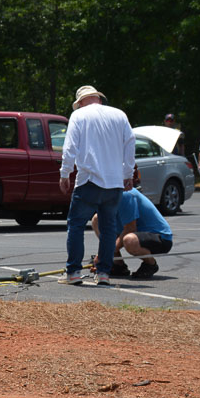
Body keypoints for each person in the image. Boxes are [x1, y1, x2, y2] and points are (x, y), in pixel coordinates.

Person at [58, 85, 135, 286]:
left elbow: (69, 147)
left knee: (76, 225)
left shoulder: (78, 115)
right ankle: (104, 274)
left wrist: (65, 174)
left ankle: (73, 272)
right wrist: (127, 174)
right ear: (98, 99)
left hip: (89, 180)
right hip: (114, 183)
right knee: (109, 228)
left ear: (81, 102)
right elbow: (130, 144)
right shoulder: (119, 115)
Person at [91, 187, 172, 279]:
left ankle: (150, 264)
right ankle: (117, 264)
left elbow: (130, 228)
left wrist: (104, 254)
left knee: (129, 240)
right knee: (97, 219)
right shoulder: (102, 195)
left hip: (161, 237)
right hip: (133, 232)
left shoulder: (124, 194)